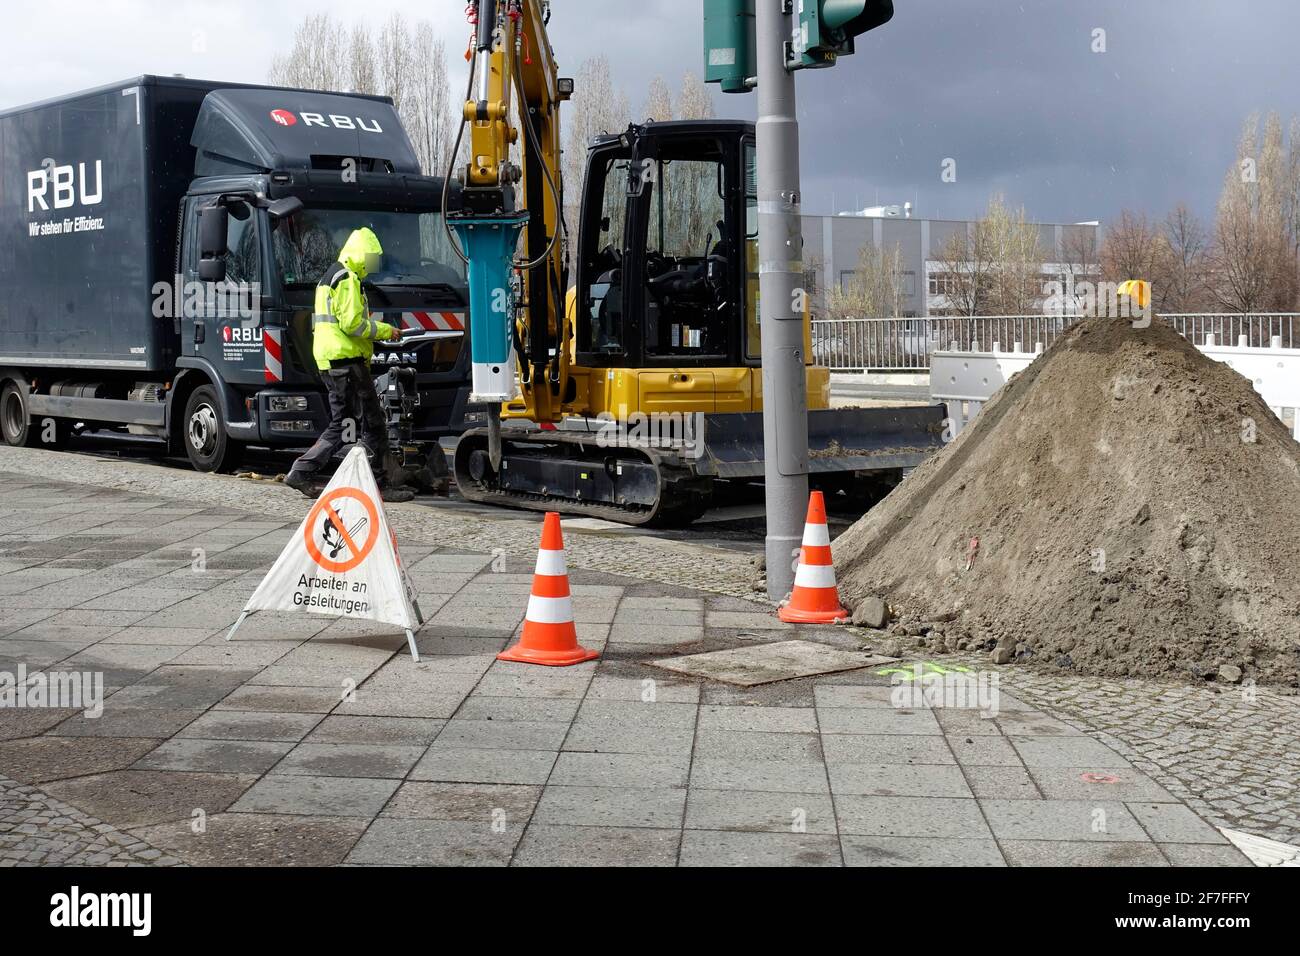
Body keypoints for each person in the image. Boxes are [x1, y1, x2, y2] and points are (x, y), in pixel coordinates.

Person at [284, 227, 414, 502]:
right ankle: (378, 485)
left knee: (349, 423)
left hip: (334, 360)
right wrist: (385, 331)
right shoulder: (347, 279)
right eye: (371, 258)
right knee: (371, 424)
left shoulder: (332, 276)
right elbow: (353, 324)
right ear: (361, 255)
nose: (373, 265)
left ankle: (306, 471)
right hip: (346, 362)